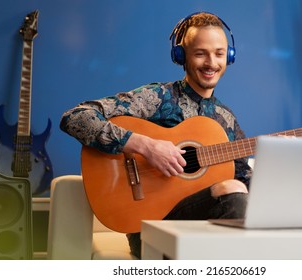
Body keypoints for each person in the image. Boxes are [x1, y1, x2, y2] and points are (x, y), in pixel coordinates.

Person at [60, 12, 252, 259]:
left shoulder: (226, 119)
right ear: (181, 56)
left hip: (204, 231)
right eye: (200, 53)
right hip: (151, 230)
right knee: (231, 189)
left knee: (235, 188)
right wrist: (146, 146)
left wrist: (280, 160)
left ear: (230, 57)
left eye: (219, 53)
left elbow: (246, 181)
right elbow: (75, 117)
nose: (211, 62)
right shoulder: (159, 98)